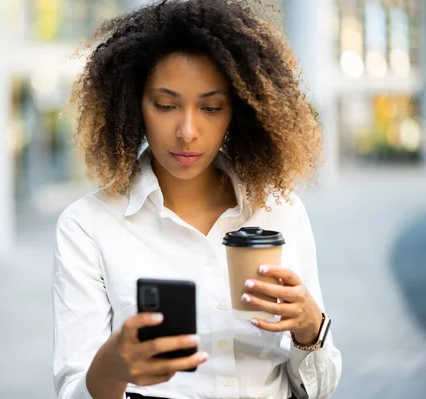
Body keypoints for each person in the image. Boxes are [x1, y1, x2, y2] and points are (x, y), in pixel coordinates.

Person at [52, 1, 342, 398]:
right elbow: (75, 389)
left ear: (237, 111)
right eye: (166, 105)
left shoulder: (280, 211)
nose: (187, 131)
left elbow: (319, 390)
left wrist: (310, 328)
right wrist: (114, 366)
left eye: (210, 107)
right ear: (135, 104)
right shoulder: (88, 226)